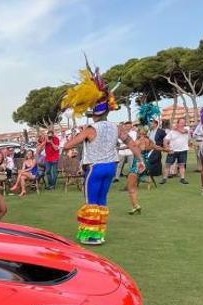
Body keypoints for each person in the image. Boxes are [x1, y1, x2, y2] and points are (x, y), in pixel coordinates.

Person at [61, 63, 142, 245]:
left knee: (91, 201)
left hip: (95, 168)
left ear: (93, 114)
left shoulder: (91, 129)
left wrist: (77, 135)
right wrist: (140, 159)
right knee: (102, 201)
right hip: (111, 167)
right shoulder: (116, 127)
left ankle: (91, 236)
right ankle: (99, 233)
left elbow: (68, 145)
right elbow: (132, 143)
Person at [162, 118, 190, 185]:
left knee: (182, 165)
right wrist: (167, 148)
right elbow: (165, 140)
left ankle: (182, 178)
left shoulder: (187, 128)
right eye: (181, 123)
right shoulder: (172, 132)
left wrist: (175, 128)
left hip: (183, 150)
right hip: (173, 151)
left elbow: (183, 132)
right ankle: (164, 179)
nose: (183, 124)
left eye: (184, 122)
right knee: (167, 165)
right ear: (177, 123)